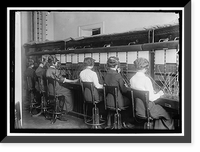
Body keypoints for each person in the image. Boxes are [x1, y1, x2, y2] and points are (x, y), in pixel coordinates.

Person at [130, 57, 174, 129]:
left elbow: (141, 91)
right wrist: (159, 93)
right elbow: (151, 98)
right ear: (145, 68)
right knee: (168, 115)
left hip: (138, 109)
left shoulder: (132, 79)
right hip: (149, 109)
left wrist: (150, 92)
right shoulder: (146, 79)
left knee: (160, 114)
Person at [104, 56, 133, 128]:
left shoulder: (106, 75)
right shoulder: (118, 76)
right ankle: (125, 122)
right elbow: (124, 90)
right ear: (117, 65)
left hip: (108, 101)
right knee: (130, 101)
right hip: (118, 102)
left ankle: (109, 123)